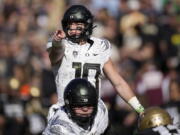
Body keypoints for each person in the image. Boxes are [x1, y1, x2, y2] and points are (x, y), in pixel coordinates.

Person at [47, 5, 144, 120]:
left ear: (87, 25)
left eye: (77, 25)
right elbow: (54, 57)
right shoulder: (60, 44)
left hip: (92, 115)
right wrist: (57, 42)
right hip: (66, 114)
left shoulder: (99, 47)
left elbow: (118, 82)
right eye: (70, 25)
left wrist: (139, 109)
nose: (73, 29)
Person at [43, 78, 109, 135]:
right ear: (68, 105)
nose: (85, 109)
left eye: (89, 105)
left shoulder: (100, 111)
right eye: (80, 106)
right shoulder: (60, 126)